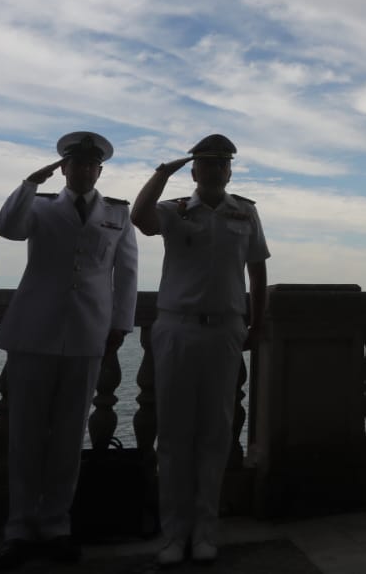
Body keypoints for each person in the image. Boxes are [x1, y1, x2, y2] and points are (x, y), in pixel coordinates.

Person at [0, 132, 137, 570]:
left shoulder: (117, 213)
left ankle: (57, 525)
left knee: (70, 435)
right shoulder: (38, 206)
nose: (84, 170)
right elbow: (7, 229)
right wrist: (29, 184)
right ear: (64, 168)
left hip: (87, 332)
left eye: (91, 164)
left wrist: (120, 323)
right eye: (76, 163)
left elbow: (127, 271)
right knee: (25, 432)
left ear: (99, 170)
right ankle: (19, 528)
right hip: (34, 330)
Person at [130, 134, 269, 567]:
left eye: (221, 164)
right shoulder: (174, 210)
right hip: (177, 327)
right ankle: (174, 534)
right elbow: (139, 218)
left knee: (216, 433)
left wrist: (257, 322)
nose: (214, 170)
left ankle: (206, 530)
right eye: (206, 164)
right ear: (193, 171)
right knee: (173, 435)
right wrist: (161, 172)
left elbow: (257, 269)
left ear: (229, 171)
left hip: (225, 328)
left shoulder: (245, 212)